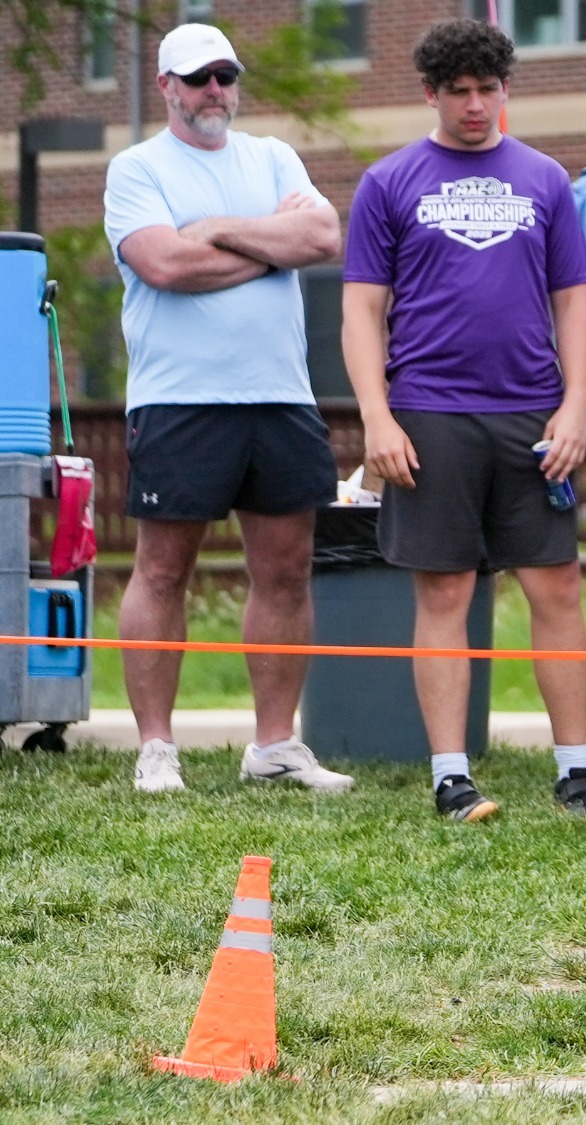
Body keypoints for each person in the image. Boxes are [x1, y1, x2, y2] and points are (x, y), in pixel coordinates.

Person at [343, 19, 586, 822]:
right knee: (446, 589)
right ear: (431, 93)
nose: (474, 105)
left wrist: (575, 406)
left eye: (487, 89)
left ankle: (577, 772)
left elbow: (574, 302)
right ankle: (451, 777)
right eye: (458, 91)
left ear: (506, 90)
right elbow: (361, 309)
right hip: (428, 411)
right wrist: (377, 418)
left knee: (556, 584)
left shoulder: (547, 179)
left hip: (531, 411)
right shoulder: (387, 181)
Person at [105, 23, 351, 795]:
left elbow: (322, 234)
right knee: (162, 569)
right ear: (168, 86)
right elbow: (164, 264)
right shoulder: (135, 168)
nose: (215, 89)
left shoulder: (274, 157)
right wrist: (266, 246)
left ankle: (274, 745)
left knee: (286, 570)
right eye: (198, 77)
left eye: (225, 75)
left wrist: (215, 231)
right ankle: (156, 749)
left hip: (281, 396)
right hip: (178, 400)